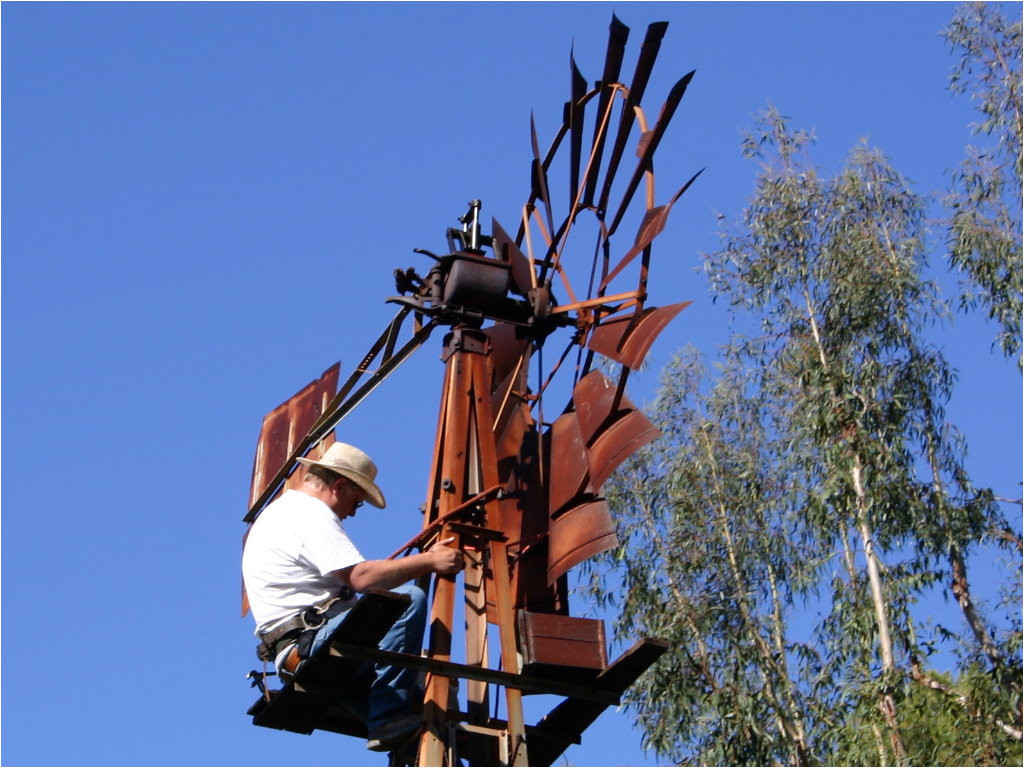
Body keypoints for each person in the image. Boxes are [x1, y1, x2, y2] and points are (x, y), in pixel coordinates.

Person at [242, 441, 464, 752]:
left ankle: (394, 730)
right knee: (406, 600)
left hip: (303, 653)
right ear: (340, 485)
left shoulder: (280, 513)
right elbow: (362, 578)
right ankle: (387, 717)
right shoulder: (309, 513)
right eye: (356, 502)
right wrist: (429, 561)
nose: (352, 513)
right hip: (315, 647)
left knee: (422, 714)